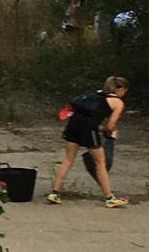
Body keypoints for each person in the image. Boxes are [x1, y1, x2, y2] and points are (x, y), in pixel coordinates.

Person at [47, 77, 130, 208]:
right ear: (120, 89)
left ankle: (55, 193)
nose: (124, 94)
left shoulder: (95, 94)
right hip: (89, 129)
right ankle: (109, 197)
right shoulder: (118, 102)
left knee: (68, 159)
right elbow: (110, 125)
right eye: (125, 91)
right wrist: (110, 133)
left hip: (73, 125)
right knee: (100, 163)